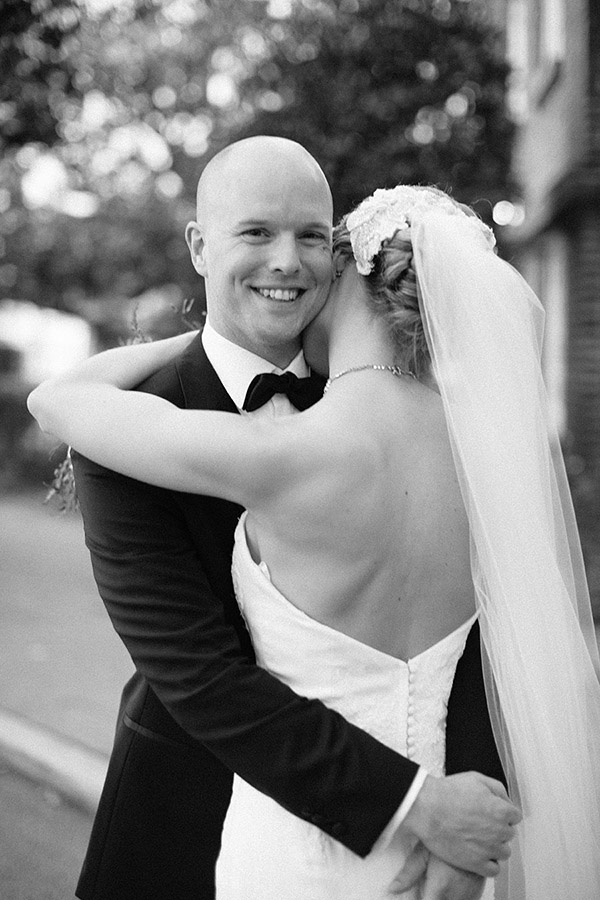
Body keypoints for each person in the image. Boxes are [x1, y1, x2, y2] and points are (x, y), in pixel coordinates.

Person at [29, 146, 521, 900]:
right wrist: (421, 806)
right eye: (255, 233)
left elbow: (475, 641)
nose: (287, 262)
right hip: (179, 820)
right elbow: (197, 671)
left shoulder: (373, 395)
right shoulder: (130, 423)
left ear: (339, 250)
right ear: (200, 246)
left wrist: (467, 823)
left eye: (312, 236)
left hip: (421, 844)